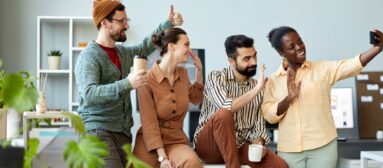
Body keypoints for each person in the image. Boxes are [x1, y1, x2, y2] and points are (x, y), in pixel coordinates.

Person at [75, 0, 183, 167]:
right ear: (104, 23)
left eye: (127, 20)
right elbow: (89, 94)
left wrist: (168, 23)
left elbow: (145, 46)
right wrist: (128, 83)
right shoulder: (89, 56)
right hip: (97, 131)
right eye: (121, 21)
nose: (126, 26)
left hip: (122, 134)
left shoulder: (122, 53)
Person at [261, 26, 383, 168]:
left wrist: (376, 49)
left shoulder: (322, 69)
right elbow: (269, 115)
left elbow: (351, 65)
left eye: (300, 41)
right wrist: (288, 99)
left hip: (323, 147)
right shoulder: (272, 81)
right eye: (292, 46)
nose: (300, 47)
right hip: (289, 150)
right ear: (281, 53)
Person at [193, 35, 289, 168]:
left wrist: (258, 143)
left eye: (254, 56)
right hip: (209, 147)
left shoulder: (258, 86)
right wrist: (257, 90)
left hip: (238, 145)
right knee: (223, 114)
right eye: (247, 59)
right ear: (231, 61)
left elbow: (258, 126)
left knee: (279, 165)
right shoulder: (216, 77)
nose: (254, 62)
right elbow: (226, 106)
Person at [133, 27, 204, 168]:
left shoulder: (183, 74)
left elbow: (196, 99)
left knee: (192, 162)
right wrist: (162, 158)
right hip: (150, 144)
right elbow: (149, 124)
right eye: (186, 44)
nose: (190, 50)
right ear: (171, 46)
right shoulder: (145, 79)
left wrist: (199, 71)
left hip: (176, 141)